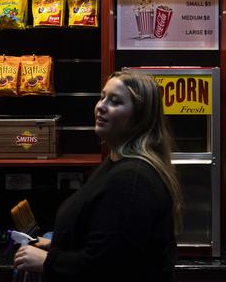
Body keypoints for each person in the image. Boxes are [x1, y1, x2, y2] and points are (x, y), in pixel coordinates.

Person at [14, 70, 183, 282]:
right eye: (102, 96)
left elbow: (110, 267)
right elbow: (109, 238)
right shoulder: (116, 162)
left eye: (115, 101)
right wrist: (58, 244)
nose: (101, 106)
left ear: (139, 118)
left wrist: (48, 261)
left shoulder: (132, 179)